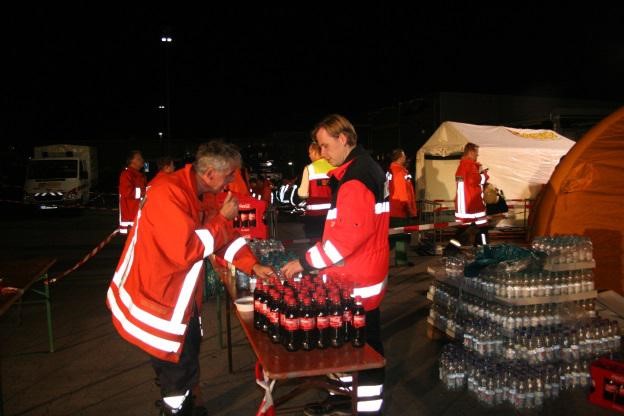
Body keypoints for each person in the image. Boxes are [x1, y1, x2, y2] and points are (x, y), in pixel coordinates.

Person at [106, 141, 274, 416]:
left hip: (179, 298)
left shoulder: (197, 191)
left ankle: (184, 402)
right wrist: (221, 219)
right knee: (176, 368)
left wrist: (252, 266)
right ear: (210, 174)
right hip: (159, 299)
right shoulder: (167, 194)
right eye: (230, 175)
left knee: (187, 356)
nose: (233, 182)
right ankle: (176, 408)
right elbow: (187, 249)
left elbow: (220, 239)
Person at [281, 114, 388, 416]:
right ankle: (346, 398)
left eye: (326, 146)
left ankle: (365, 407)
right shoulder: (363, 170)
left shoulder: (355, 179)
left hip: (356, 281)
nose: (323, 153)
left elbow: (344, 241)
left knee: (364, 349)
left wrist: (305, 262)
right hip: (363, 274)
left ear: (343, 139)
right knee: (351, 345)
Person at [454, 142, 489, 246]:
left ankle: (452, 249)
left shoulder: (461, 166)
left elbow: (465, 183)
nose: (477, 155)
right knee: (482, 229)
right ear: (470, 152)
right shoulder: (469, 165)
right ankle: (483, 250)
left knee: (462, 231)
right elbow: (476, 180)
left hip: (463, 206)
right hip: (473, 204)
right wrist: (484, 175)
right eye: (476, 153)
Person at [297, 142, 334, 239]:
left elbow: (303, 194)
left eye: (310, 152)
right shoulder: (335, 166)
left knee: (314, 243)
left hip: (314, 217)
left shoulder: (309, 168)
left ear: (314, 152)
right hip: (333, 215)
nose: (309, 155)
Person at [387, 149, 417, 266]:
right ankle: (388, 262)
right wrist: (408, 209)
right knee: (399, 238)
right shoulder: (399, 172)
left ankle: (401, 260)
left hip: (392, 209)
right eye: (404, 156)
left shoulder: (390, 171)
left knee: (398, 237)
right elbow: (403, 194)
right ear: (400, 158)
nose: (405, 158)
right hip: (400, 210)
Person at [118, 150, 147, 235]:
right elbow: (127, 192)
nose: (142, 160)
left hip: (139, 214)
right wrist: (144, 191)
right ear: (131, 161)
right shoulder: (126, 174)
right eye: (139, 159)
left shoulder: (139, 175)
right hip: (131, 218)